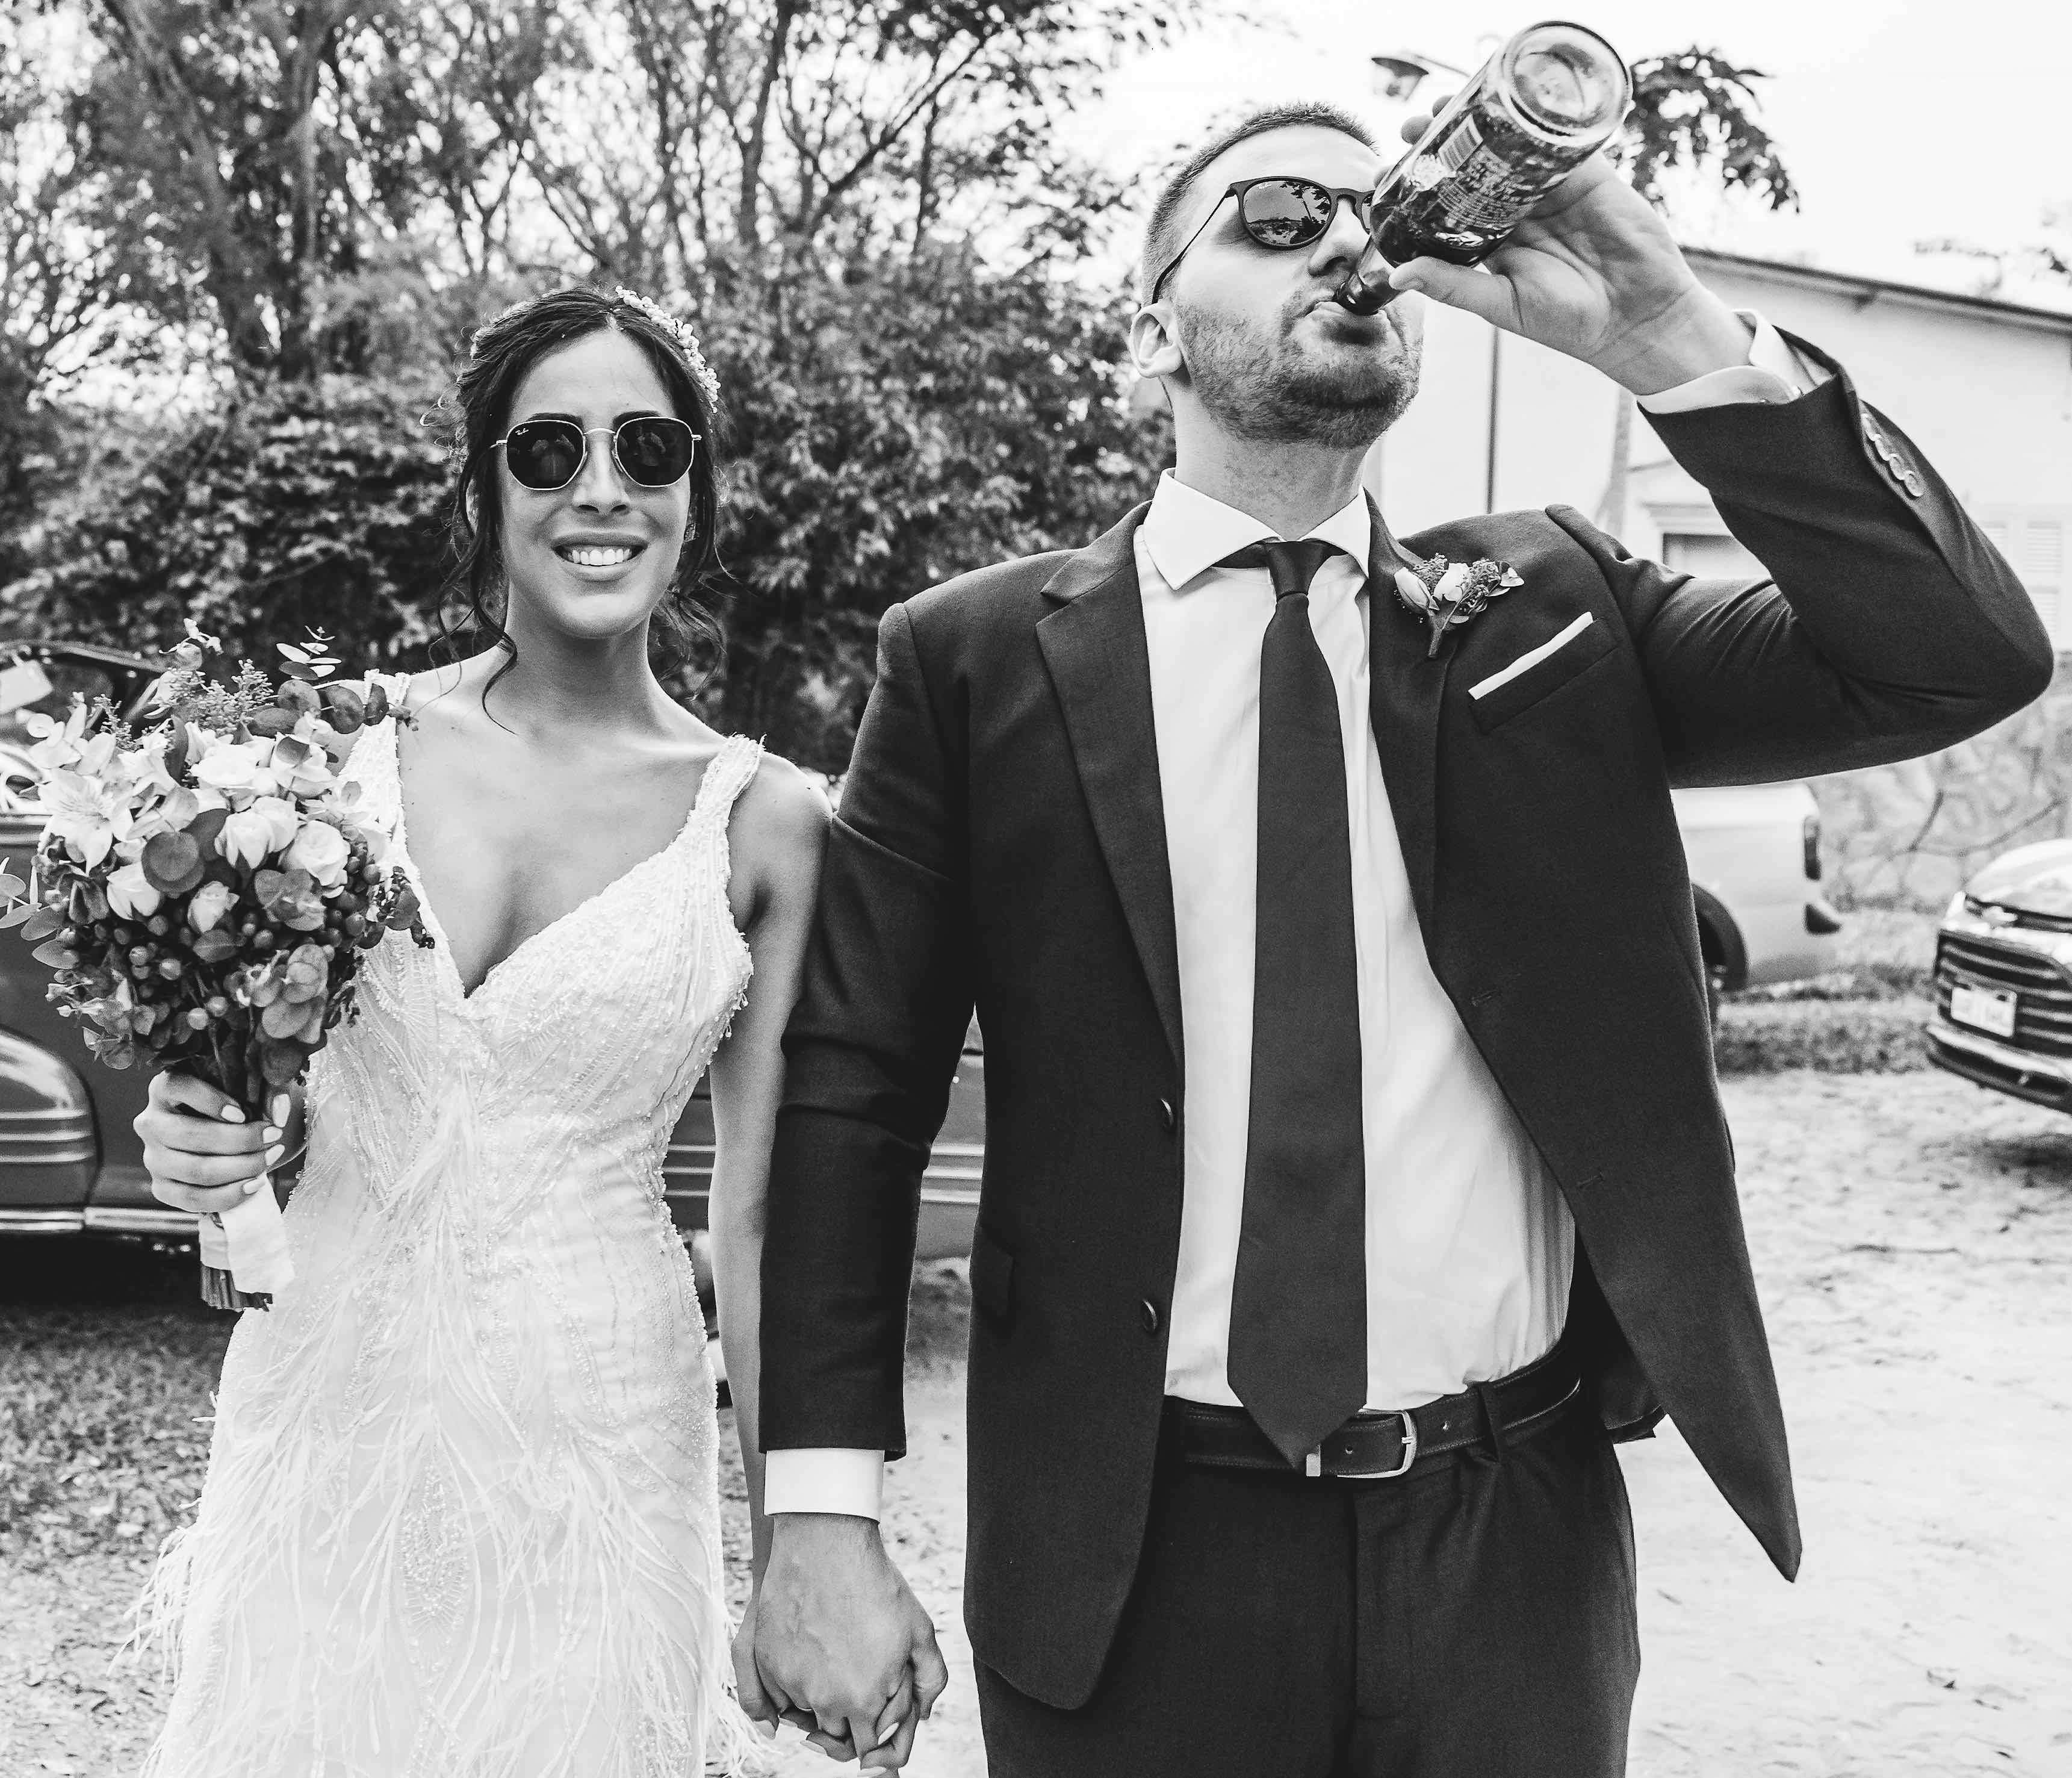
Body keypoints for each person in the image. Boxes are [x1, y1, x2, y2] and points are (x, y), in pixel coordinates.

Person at [744, 99, 2055, 1777]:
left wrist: (1662, 328)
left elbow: (1956, 657)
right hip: (1131, 1549)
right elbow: (853, 1094)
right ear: (1151, 329)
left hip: (1508, 1548)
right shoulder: (970, 659)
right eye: (1276, 215)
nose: (1345, 247)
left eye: (1374, 219)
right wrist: (820, 1514)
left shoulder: (1552, 610)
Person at [131, 285, 828, 1778]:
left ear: (695, 494)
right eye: (550, 449)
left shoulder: (765, 822)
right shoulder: (330, 751)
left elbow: (762, 1220)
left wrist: (792, 1552)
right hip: (323, 1416)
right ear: (481, 490)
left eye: (648, 447)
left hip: (598, 1447)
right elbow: (250, 1090)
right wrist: (197, 1139)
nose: (601, 488)